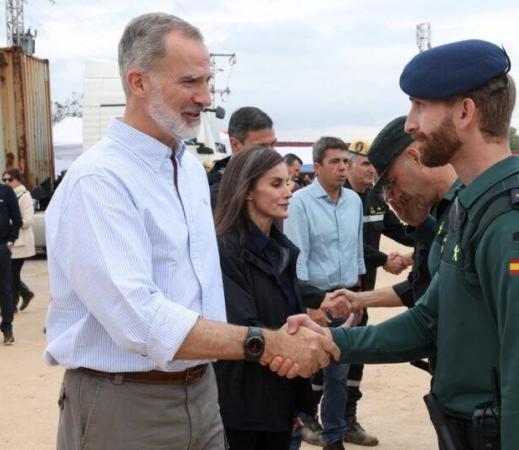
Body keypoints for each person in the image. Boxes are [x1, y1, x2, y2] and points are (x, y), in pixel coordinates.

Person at [43, 13, 338, 450]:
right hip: (127, 405)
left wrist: (280, 322)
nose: (206, 98)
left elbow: (202, 292)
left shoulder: (188, 171)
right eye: (190, 82)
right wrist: (264, 341)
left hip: (203, 392)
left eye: (208, 81)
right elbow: (142, 320)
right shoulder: (100, 181)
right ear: (138, 82)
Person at [280, 39, 519, 450]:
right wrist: (333, 341)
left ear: (464, 112)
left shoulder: (513, 223)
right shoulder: (470, 208)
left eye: (420, 105)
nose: (410, 124)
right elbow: (428, 321)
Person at [213, 146, 314, 449]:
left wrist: (294, 400)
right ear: (246, 191)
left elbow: (290, 320)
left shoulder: (281, 250)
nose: (288, 191)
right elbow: (243, 328)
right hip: (241, 405)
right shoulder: (224, 251)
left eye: (287, 182)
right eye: (275, 184)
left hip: (278, 398)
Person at [285, 136, 364, 450]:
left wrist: (357, 293)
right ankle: (300, 429)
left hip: (345, 297)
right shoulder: (300, 202)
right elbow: (297, 256)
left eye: (345, 161)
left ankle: (334, 437)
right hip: (315, 298)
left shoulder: (354, 201)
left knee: (338, 373)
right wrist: (309, 304)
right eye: (335, 161)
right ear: (316, 166)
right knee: (305, 368)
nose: (343, 167)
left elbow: (356, 249)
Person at [333, 118, 458, 311]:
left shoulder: (464, 210)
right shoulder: (434, 209)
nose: (393, 195)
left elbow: (424, 313)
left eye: (393, 181)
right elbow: (419, 287)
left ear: (415, 158)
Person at [341, 139, 416, 447]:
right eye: (365, 164)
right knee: (327, 355)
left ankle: (347, 418)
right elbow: (349, 245)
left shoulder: (374, 199)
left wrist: (426, 238)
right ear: (348, 165)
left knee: (355, 354)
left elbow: (398, 230)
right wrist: (386, 259)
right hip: (338, 292)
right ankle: (311, 418)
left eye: (373, 165)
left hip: (363, 292)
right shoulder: (339, 200)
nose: (372, 170)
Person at [209, 106, 277, 206]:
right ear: (235, 145)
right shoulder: (208, 191)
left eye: (273, 144)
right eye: (261, 147)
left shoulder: (277, 182)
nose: (271, 153)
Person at [3, 169, 35, 311]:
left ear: (18, 180)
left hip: (21, 242)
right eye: (4, 180)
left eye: (9, 180)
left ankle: (12, 305)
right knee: (9, 274)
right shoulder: (6, 195)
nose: (7, 183)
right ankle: (25, 293)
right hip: (9, 241)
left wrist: (11, 222)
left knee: (12, 275)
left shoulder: (24, 195)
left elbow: (28, 220)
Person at [0, 179, 21, 344]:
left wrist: (10, 242)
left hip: (2, 248)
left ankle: (7, 327)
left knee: (5, 290)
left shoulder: (6, 192)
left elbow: (17, 219)